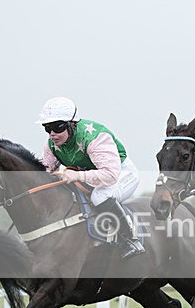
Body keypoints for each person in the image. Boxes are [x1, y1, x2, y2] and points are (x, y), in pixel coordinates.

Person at [36, 96, 144, 258]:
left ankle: (130, 239)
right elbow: (43, 172)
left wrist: (78, 175)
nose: (52, 134)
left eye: (57, 127)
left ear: (72, 124)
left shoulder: (94, 138)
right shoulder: (52, 144)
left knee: (100, 196)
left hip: (121, 174)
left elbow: (110, 175)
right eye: (47, 128)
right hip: (93, 175)